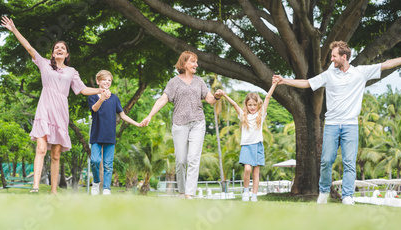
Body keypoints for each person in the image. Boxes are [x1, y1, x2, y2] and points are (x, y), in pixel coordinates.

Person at [273, 41, 401, 205]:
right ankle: (324, 191)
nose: (331, 59)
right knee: (326, 161)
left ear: (344, 57)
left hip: (350, 126)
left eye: (334, 56)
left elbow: (386, 64)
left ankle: (347, 196)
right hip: (332, 125)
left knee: (349, 162)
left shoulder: (360, 73)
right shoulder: (329, 74)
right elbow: (307, 83)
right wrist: (285, 80)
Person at [1, 16, 105, 194]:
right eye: (56, 47)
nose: (59, 49)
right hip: (44, 110)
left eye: (62, 48)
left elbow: (82, 89)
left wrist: (100, 90)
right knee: (41, 149)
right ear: (52, 53)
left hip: (61, 113)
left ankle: (54, 191)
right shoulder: (44, 65)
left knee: (56, 155)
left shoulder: (72, 72)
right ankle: (35, 187)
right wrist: (14, 30)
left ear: (66, 55)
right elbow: (29, 47)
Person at [140, 51, 221, 199]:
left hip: (198, 122)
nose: (196, 64)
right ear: (184, 64)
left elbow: (210, 99)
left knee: (193, 158)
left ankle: (190, 193)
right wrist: (149, 116)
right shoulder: (174, 82)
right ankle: (182, 191)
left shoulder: (199, 82)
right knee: (181, 160)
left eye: (196, 62)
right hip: (179, 124)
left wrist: (216, 96)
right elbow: (162, 99)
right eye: (193, 62)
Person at [215, 80, 278, 202]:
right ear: (246, 105)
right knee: (247, 169)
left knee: (256, 173)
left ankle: (254, 195)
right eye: (250, 105)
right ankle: (245, 191)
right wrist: (224, 94)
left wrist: (275, 83)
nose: (252, 107)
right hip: (246, 146)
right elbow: (234, 104)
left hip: (258, 146)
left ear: (258, 105)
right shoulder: (243, 115)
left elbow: (268, 97)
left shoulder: (261, 114)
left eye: (254, 105)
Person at [88, 70, 142, 196]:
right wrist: (102, 98)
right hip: (96, 135)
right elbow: (94, 109)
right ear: (98, 81)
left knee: (108, 164)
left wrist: (137, 123)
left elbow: (122, 115)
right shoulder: (92, 96)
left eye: (109, 80)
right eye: (104, 80)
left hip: (109, 135)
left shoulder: (115, 98)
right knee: (95, 161)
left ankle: (106, 188)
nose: (107, 82)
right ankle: (96, 183)